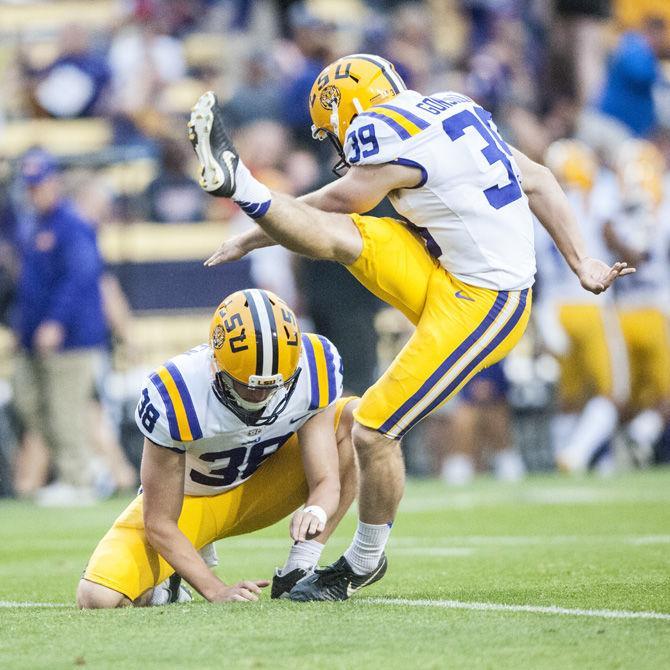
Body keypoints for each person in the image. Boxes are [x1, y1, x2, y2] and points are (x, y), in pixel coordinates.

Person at [187, 54, 633, 600]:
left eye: (333, 128)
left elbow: (344, 197)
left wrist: (254, 217)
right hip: (451, 273)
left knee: (373, 429)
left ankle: (363, 560)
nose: (337, 142)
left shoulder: (381, 129)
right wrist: (581, 260)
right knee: (348, 236)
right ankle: (244, 186)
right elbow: (538, 180)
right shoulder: (454, 107)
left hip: (486, 301)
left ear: (347, 109)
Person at [76, 289, 357, 607]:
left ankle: (300, 568)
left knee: (357, 421)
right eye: (247, 385)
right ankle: (171, 580)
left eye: (272, 385)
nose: (259, 396)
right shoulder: (177, 393)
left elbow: (325, 479)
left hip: (266, 487)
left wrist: (316, 509)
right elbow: (160, 520)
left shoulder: (314, 365)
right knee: (97, 597)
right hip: (192, 504)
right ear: (216, 365)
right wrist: (214, 589)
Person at [12, 148, 108, 506]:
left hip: (71, 338)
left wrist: (55, 322)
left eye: (39, 185)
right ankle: (79, 469)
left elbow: (80, 278)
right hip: (35, 337)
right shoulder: (34, 225)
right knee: (29, 401)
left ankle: (78, 478)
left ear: (54, 183)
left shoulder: (72, 225)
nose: (35, 192)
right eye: (31, 186)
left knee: (66, 407)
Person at [534, 140, 629, 473]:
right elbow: (620, 242)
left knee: (569, 395)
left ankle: (566, 459)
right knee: (611, 393)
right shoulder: (595, 199)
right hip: (589, 305)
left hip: (553, 311)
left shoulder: (539, 209)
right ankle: (574, 455)